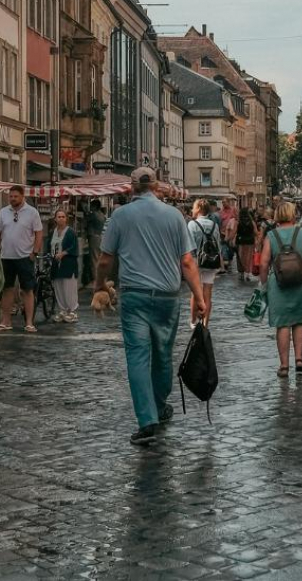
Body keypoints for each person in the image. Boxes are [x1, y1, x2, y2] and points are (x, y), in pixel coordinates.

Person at [94, 167, 206, 446]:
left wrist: (98, 284)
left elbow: (105, 260)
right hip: (167, 297)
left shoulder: (120, 216)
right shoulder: (174, 216)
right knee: (163, 354)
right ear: (157, 186)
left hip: (134, 296)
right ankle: (158, 404)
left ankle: (147, 421)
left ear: (131, 188)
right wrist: (200, 297)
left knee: (138, 357)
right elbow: (188, 262)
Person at [259, 201, 302, 378]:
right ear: (294, 215)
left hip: (278, 284)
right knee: (299, 321)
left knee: (282, 324)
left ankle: (284, 365)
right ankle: (299, 360)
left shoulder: (271, 236)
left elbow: (263, 264)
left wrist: (264, 285)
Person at [0, 186, 43, 333]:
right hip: (6, 256)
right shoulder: (3, 212)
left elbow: (39, 233)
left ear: (22, 196)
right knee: (7, 289)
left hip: (24, 256)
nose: (12, 199)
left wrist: (34, 252)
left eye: (15, 196)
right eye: (11, 196)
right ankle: (6, 321)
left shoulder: (32, 212)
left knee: (27, 290)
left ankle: (29, 322)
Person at [188, 199, 222, 324]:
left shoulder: (192, 224)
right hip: (211, 261)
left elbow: (189, 245)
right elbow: (218, 244)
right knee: (208, 292)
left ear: (198, 209)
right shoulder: (214, 225)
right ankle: (205, 323)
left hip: (196, 261)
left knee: (195, 292)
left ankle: (193, 321)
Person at [49, 209, 80, 323]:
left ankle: (72, 310)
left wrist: (63, 253)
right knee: (58, 286)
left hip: (68, 263)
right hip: (56, 264)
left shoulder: (70, 232)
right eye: (59, 216)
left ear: (66, 219)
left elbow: (74, 247)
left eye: (63, 216)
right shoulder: (53, 232)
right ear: (55, 219)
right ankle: (62, 309)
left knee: (69, 287)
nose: (61, 218)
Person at [84, 199, 106, 286]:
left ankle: (96, 280)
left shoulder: (93, 215)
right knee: (98, 258)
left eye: (91, 205)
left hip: (93, 237)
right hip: (99, 237)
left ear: (95, 206)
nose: (90, 207)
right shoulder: (102, 215)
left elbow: (85, 221)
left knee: (94, 260)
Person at [235, 208, 259, 283]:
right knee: (248, 257)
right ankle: (247, 274)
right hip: (250, 241)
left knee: (240, 257)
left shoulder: (238, 222)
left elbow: (234, 231)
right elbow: (255, 232)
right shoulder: (252, 222)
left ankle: (241, 273)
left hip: (240, 241)